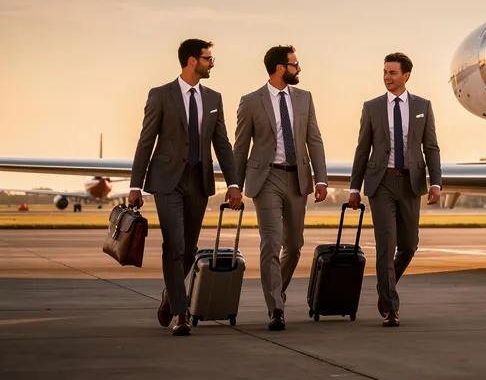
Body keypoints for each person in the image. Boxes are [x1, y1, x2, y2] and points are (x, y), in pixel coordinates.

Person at [128, 39, 242, 336]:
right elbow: (145, 141)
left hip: (199, 181)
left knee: (189, 248)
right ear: (192, 61)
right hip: (167, 181)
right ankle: (181, 313)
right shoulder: (161, 95)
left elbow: (222, 144)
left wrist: (233, 184)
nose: (212, 63)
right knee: (174, 245)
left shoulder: (214, 98)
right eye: (208, 58)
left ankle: (171, 293)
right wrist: (135, 186)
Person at [233, 45, 329, 331]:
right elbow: (240, 147)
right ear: (279, 68)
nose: (299, 69)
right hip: (266, 179)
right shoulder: (251, 101)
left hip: (297, 179)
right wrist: (235, 185)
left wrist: (320, 178)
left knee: (295, 246)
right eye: (295, 64)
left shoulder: (304, 98)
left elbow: (315, 140)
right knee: (271, 243)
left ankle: (278, 289)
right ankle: (276, 307)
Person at [348, 52, 441, 327]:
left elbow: (431, 147)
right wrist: (355, 187)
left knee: (409, 246)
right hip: (382, 183)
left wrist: (435, 182)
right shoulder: (372, 107)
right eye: (385, 72)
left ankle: (385, 288)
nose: (387, 77)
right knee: (386, 246)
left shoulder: (423, 105)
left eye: (392, 73)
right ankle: (390, 307)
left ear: (406, 76)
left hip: (411, 183)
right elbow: (362, 148)